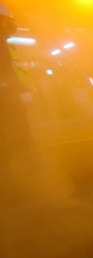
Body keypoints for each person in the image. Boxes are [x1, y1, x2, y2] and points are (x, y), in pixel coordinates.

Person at [0, 2, 35, 170]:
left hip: (8, 92)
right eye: (5, 21)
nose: (9, 25)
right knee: (18, 133)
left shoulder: (4, 41)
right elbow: (5, 67)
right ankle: (28, 170)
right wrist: (21, 91)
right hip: (8, 94)